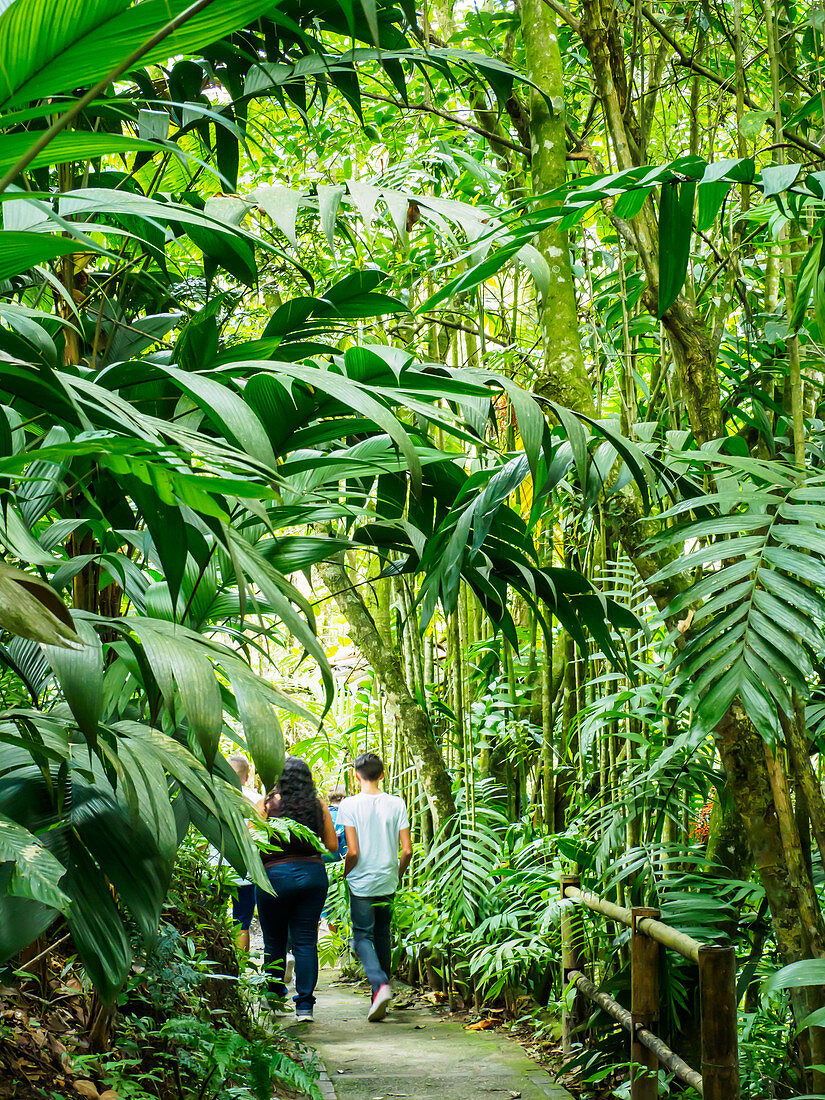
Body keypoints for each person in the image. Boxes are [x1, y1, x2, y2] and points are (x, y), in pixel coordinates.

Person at [256, 756, 339, 1023]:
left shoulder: (267, 805)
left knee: (274, 941)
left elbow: (252, 840)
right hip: (312, 877)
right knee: (305, 942)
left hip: (274, 878)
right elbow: (332, 846)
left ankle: (274, 998)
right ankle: (305, 1007)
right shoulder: (318, 806)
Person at [338, 752, 413, 1022]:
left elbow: (353, 851)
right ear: (382, 774)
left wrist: (345, 874)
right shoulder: (397, 803)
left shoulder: (349, 805)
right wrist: (398, 873)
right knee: (382, 934)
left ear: (355, 775)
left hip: (361, 880)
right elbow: (406, 850)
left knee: (361, 937)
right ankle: (379, 997)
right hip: (387, 878)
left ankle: (380, 985)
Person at [224, 754, 261, 954]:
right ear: (247, 777)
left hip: (214, 869)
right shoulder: (257, 799)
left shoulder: (212, 793)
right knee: (241, 922)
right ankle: (240, 970)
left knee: (211, 919)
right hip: (245, 872)